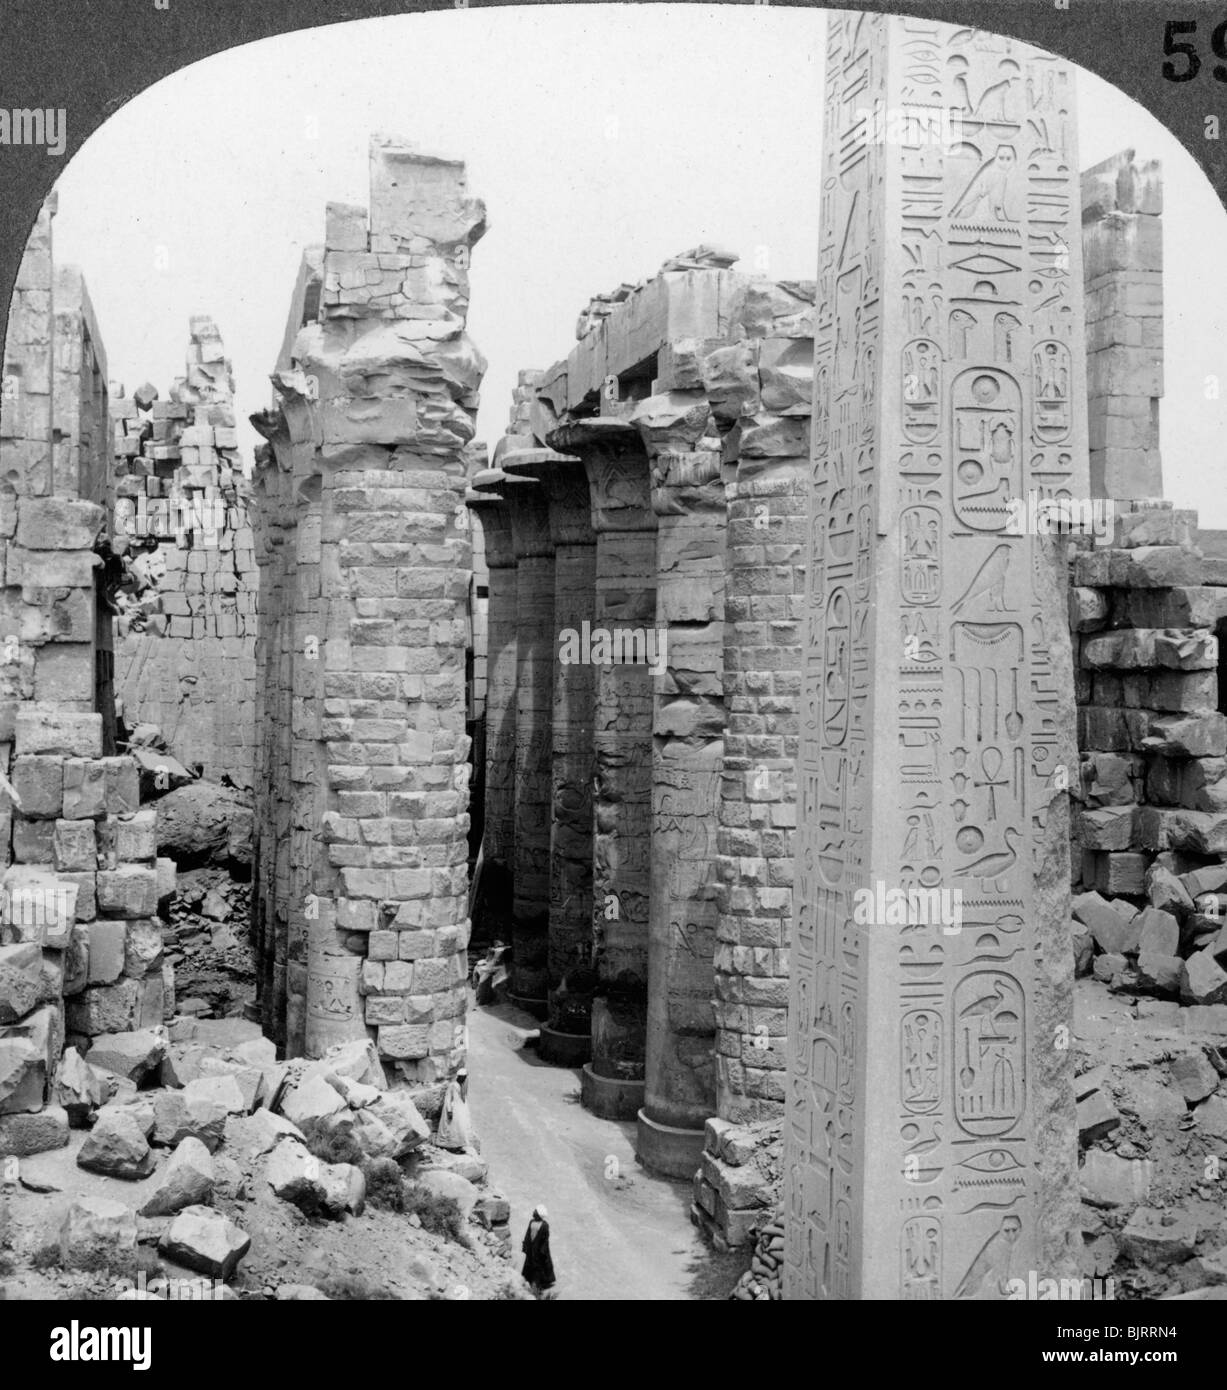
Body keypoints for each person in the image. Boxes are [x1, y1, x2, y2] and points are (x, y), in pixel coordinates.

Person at [521, 1204, 556, 1297]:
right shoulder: (531, 1222)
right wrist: (525, 1244)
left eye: (535, 1211)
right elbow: (528, 1234)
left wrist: (542, 1251)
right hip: (531, 1249)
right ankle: (529, 1279)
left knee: (538, 1267)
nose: (533, 1212)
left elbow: (545, 1239)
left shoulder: (545, 1225)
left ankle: (536, 1285)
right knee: (529, 1263)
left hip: (539, 1251)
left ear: (539, 1214)